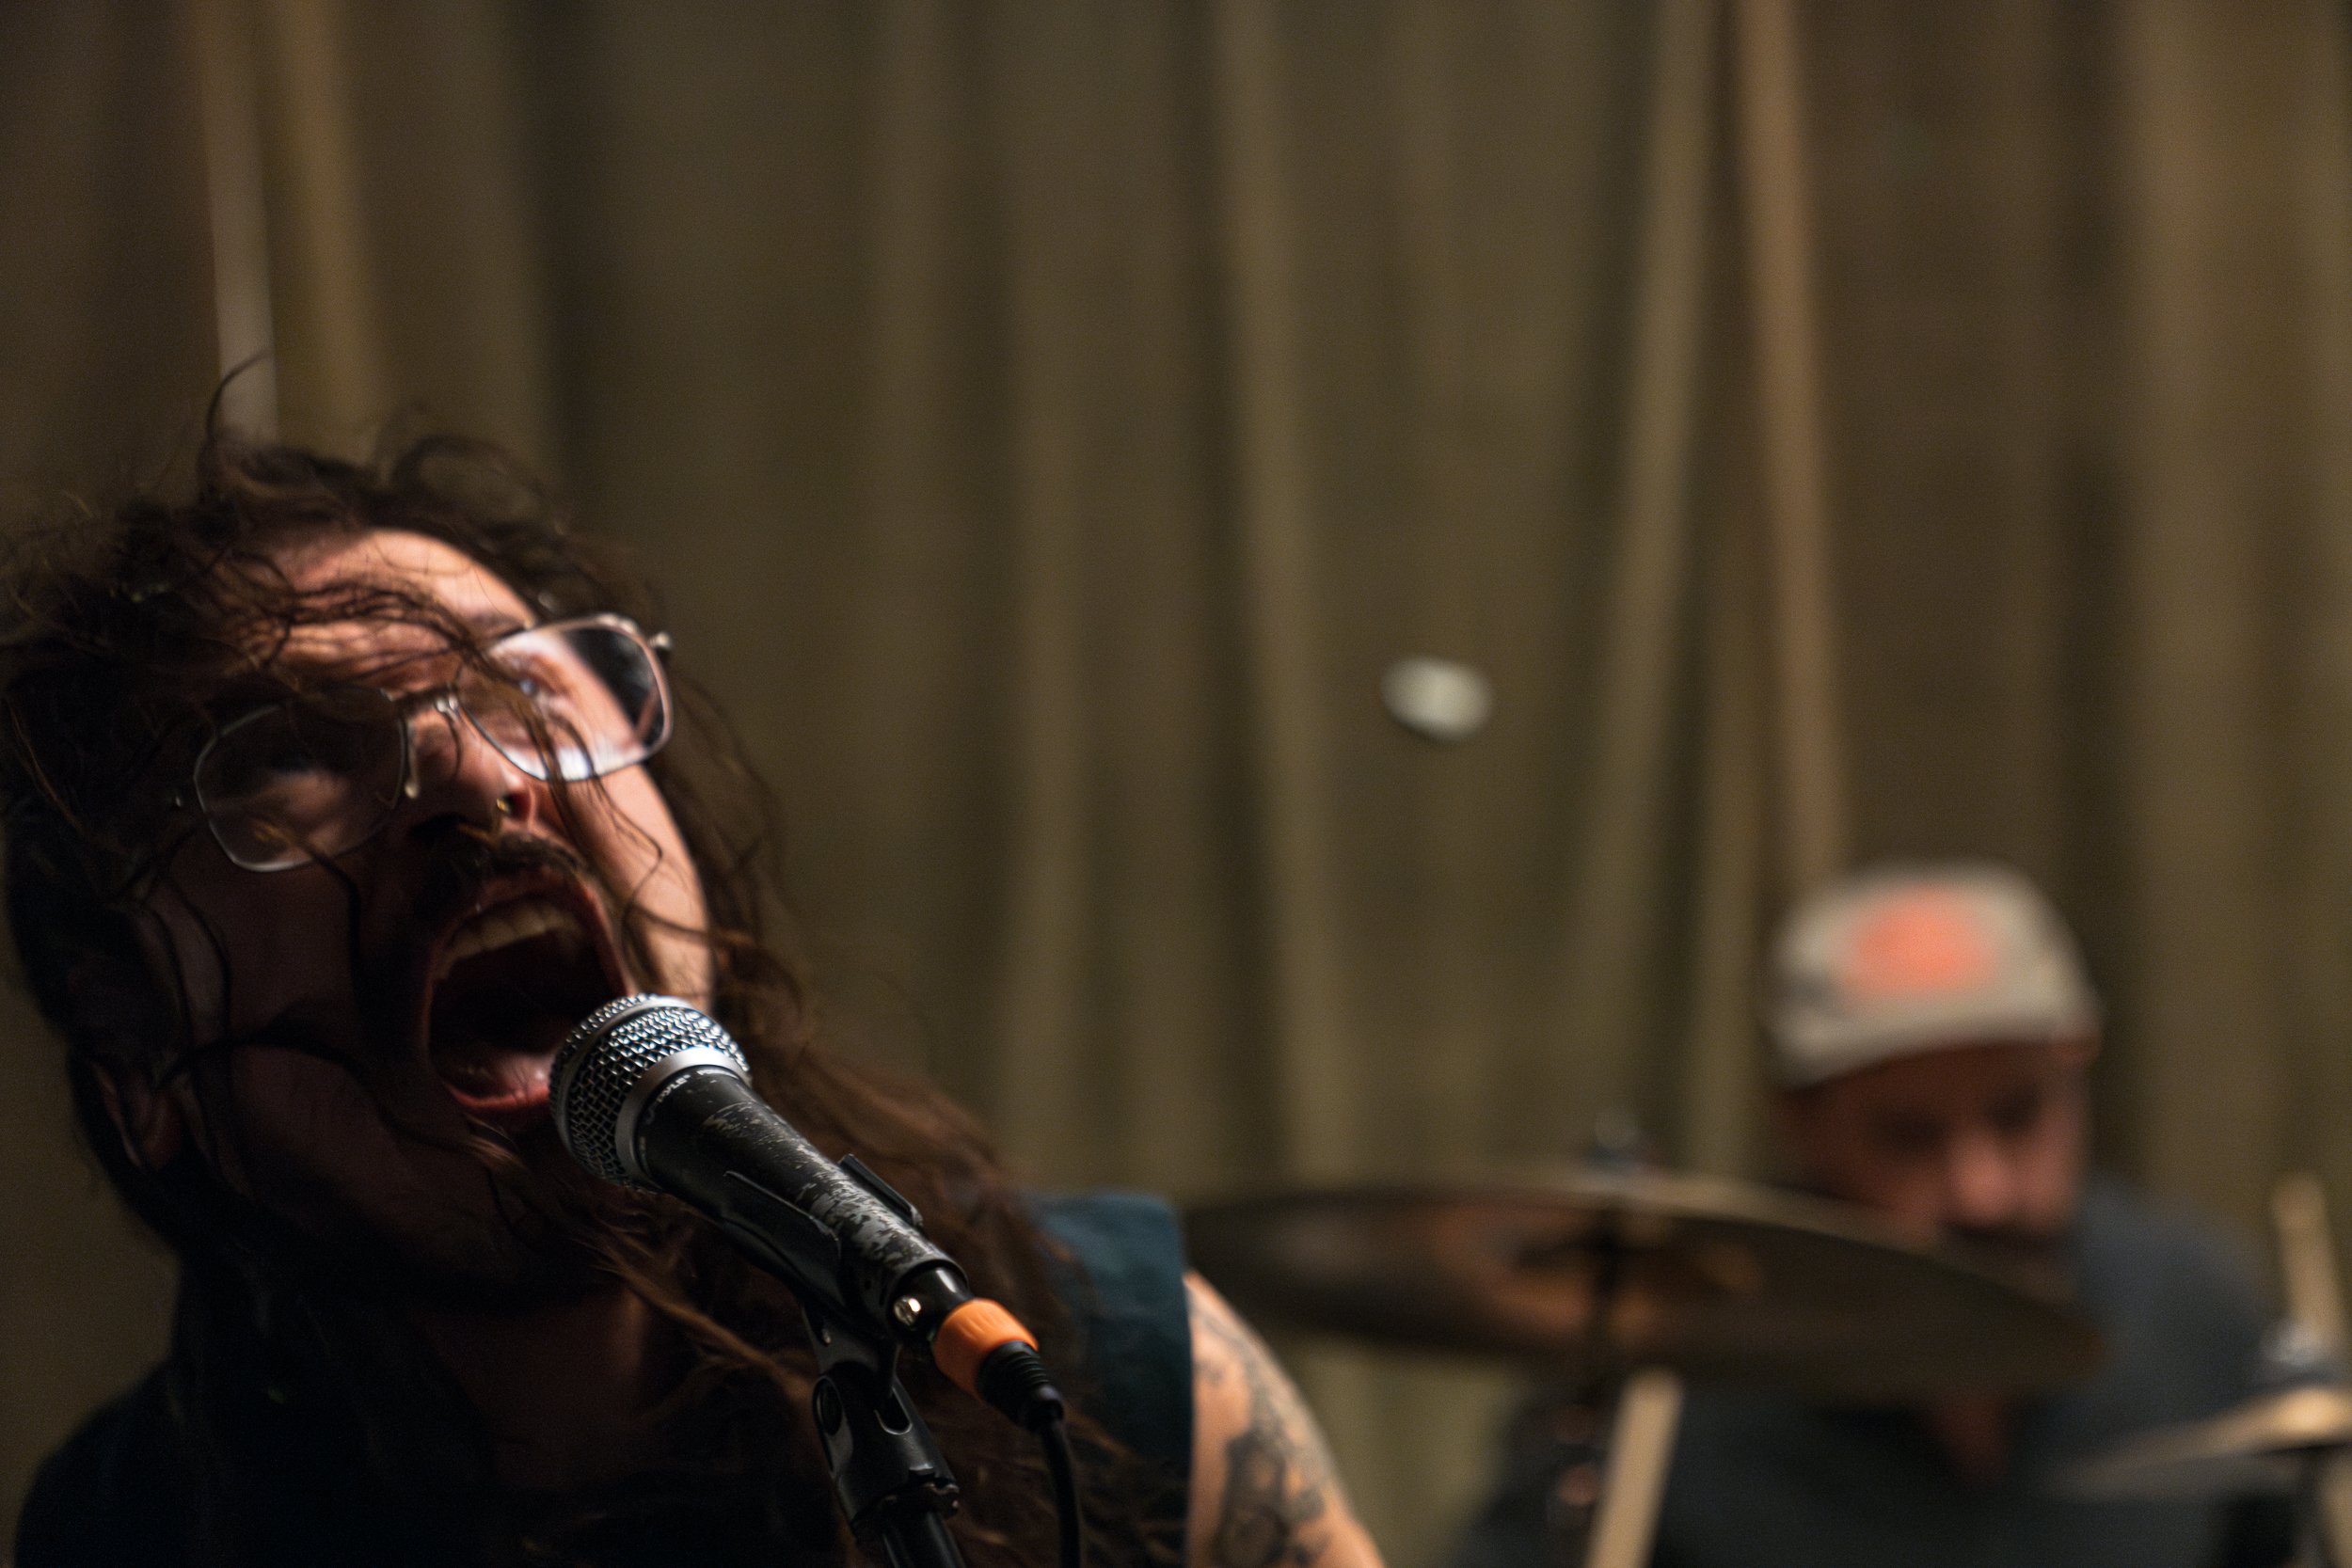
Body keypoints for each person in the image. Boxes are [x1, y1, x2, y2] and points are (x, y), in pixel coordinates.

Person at [5, 426, 1383, 1568]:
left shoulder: (1100, 1365)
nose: (482, 773)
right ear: (134, 1049)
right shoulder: (123, 1535)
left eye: (514, 682)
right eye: (296, 752)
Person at [1453, 862, 2295, 1568]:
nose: (1983, 1190)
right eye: (1910, 1137)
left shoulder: (2194, 1309)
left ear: (2079, 1064)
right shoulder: (1664, 1371)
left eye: (2018, 1115)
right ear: (1802, 1124)